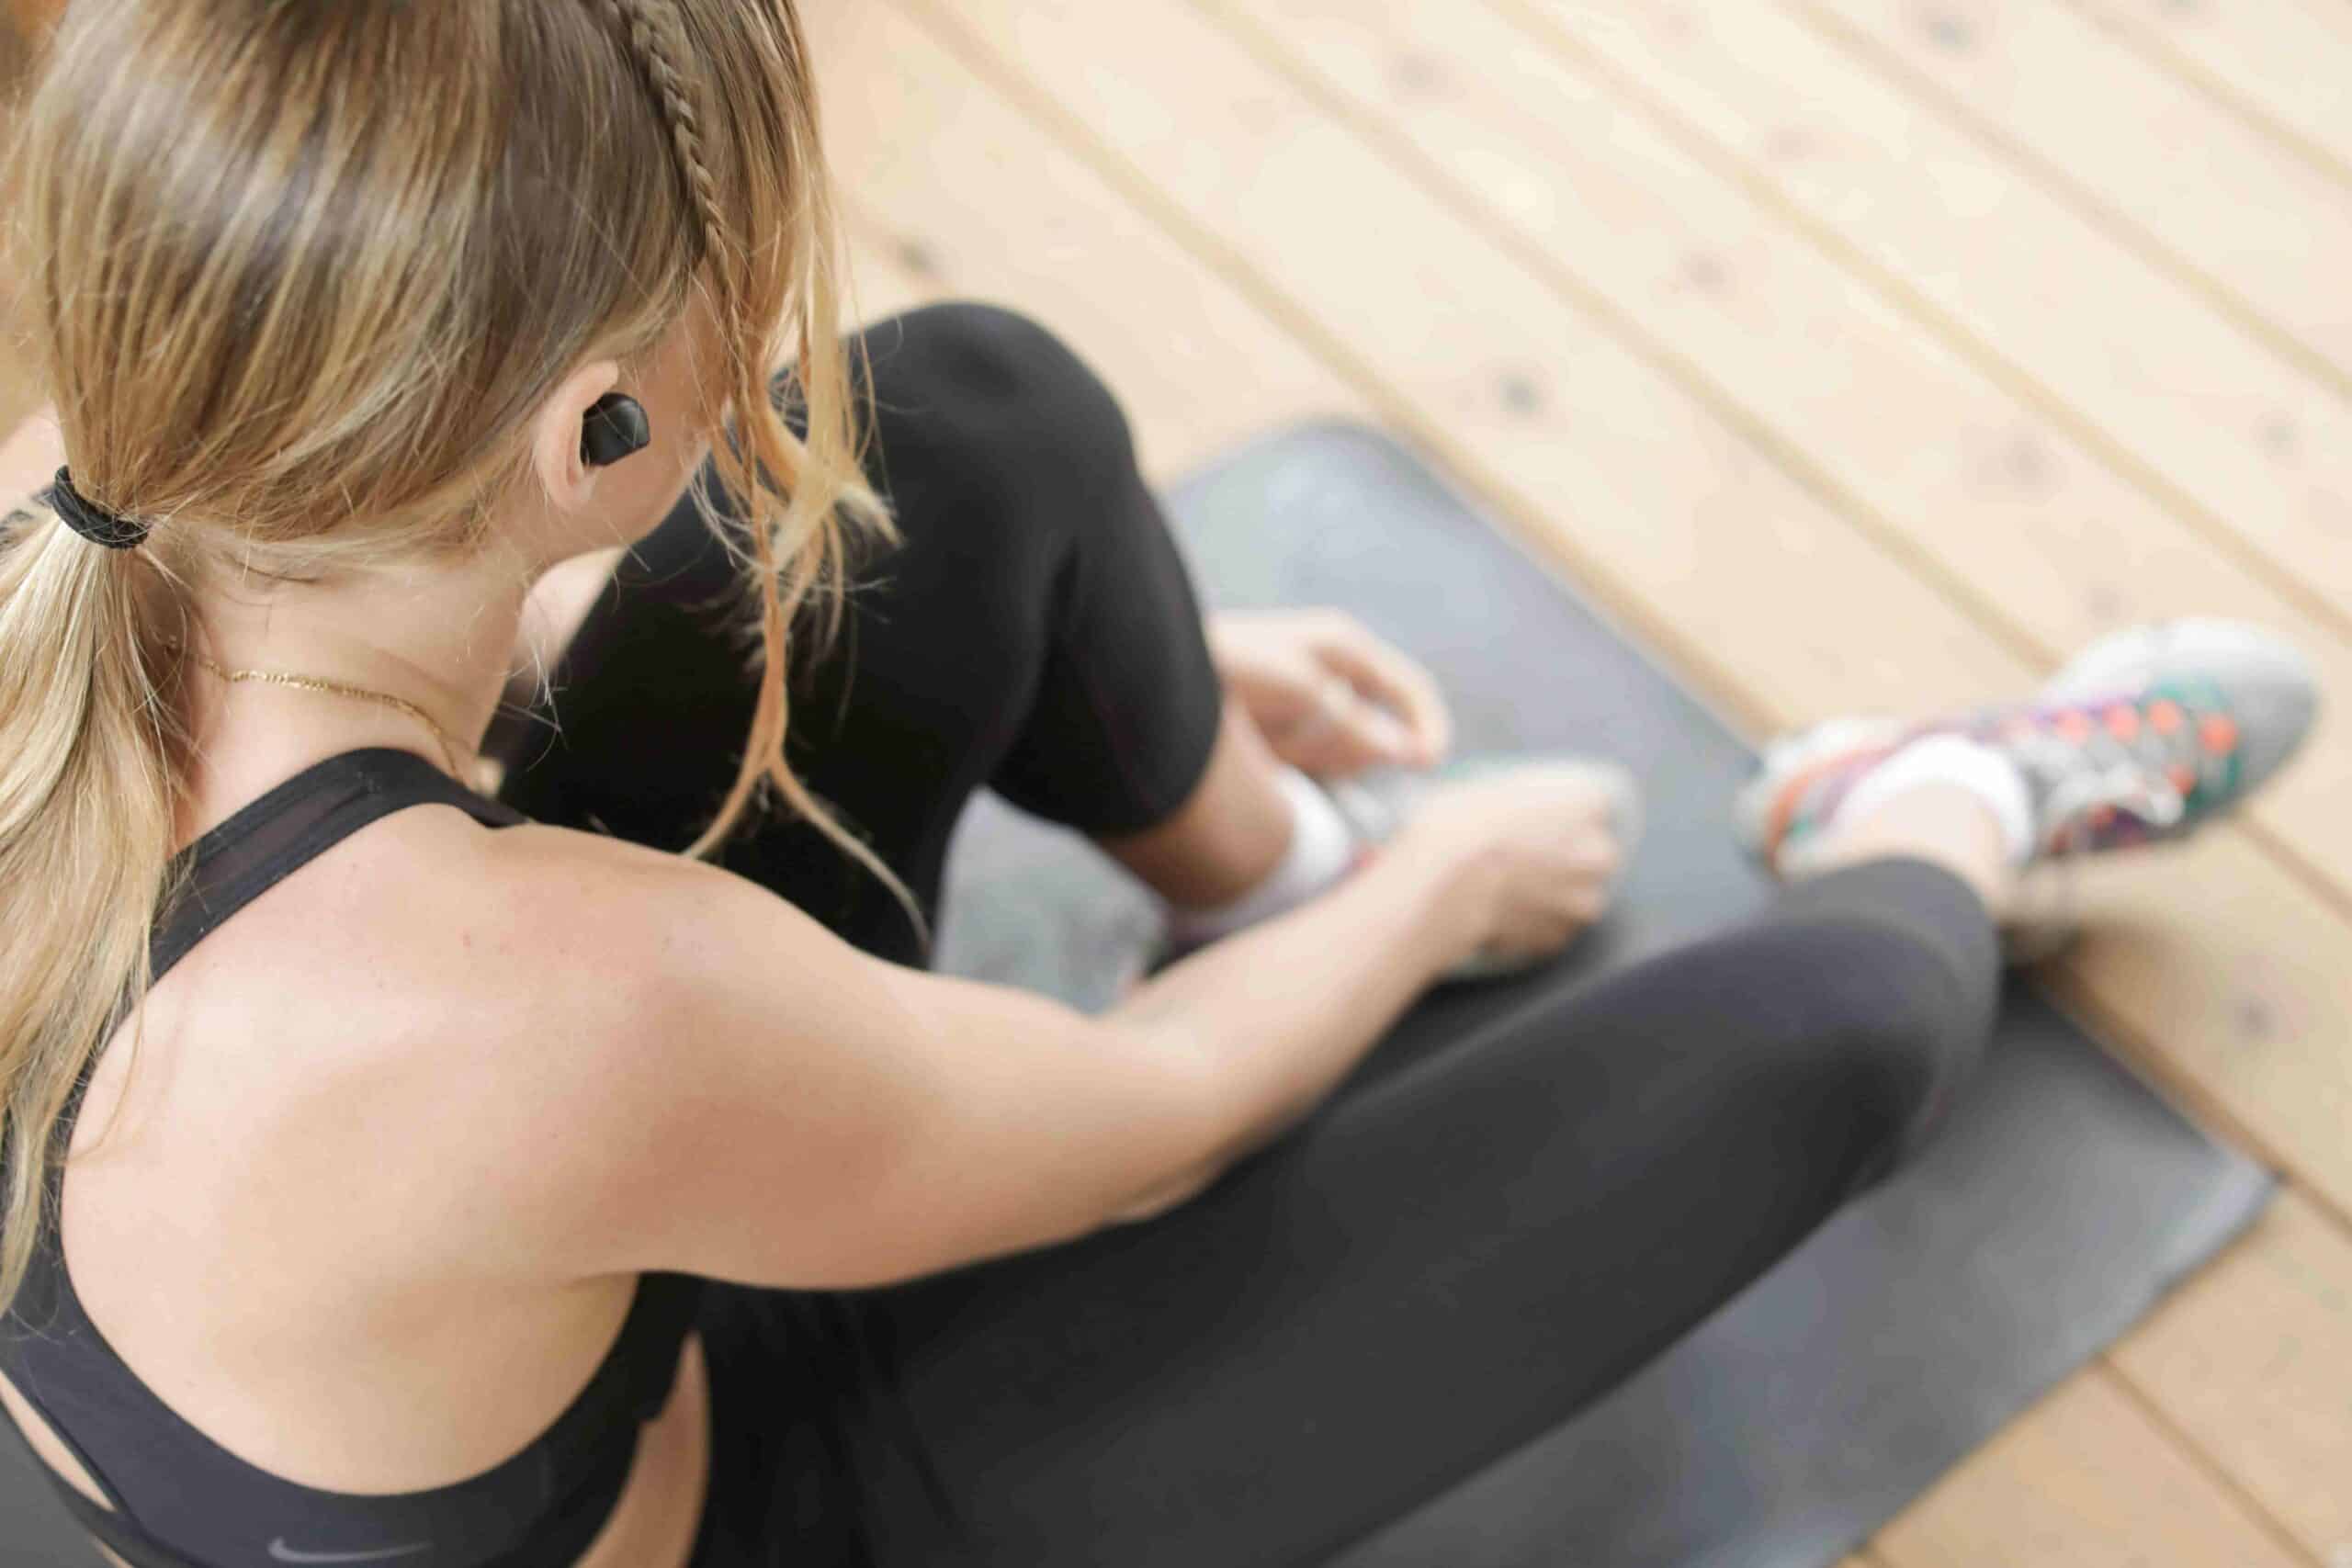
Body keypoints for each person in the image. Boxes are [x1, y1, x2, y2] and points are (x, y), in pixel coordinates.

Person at [0, 4, 2316, 1567]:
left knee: (961, 423)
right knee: (1844, 1028)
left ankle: (1245, 849)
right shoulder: (545, 1002)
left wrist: (1177, 686)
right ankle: (1946, 810)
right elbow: (1144, 1126)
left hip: (486, 1277)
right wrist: (1422, 894)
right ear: (589, 429)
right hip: (776, 1498)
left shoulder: (87, 495)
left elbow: (466, 631)